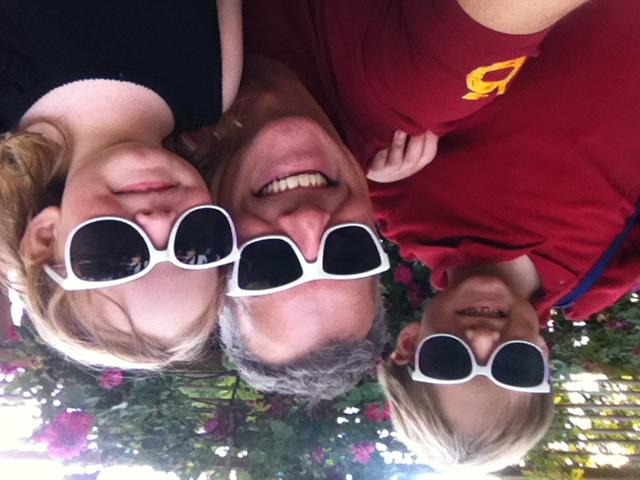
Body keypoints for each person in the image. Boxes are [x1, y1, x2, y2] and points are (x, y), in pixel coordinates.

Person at [205, 0, 587, 401]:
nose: (309, 219)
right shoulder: (410, 90)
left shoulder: (170, 105)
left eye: (269, 265)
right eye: (347, 254)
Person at [375, 0, 640, 473]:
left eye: (449, 361)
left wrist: (379, 145)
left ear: (411, 344)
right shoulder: (603, 275)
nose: (482, 338)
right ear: (541, 357)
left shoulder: (398, 197)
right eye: (512, 367)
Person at [0, 0, 243, 369]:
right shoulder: (214, 87)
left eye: (114, 255)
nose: (159, 221)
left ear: (46, 236)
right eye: (195, 248)